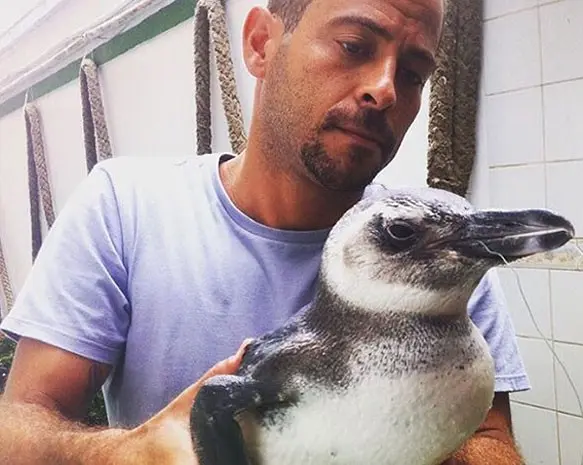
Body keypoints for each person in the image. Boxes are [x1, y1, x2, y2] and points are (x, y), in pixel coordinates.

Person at [0, 0, 530, 463]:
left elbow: (490, 437)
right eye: (353, 46)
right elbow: (18, 429)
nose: (385, 89)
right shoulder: (125, 207)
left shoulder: (442, 241)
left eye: (414, 74)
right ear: (260, 44)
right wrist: (129, 455)